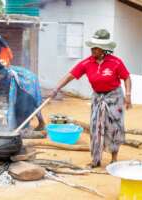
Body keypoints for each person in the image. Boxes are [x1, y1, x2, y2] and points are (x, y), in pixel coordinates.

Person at [50, 29, 132, 168]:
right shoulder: (86, 63)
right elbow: (70, 76)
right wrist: (56, 88)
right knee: (95, 128)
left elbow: (126, 78)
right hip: (98, 97)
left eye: (96, 47)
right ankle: (96, 160)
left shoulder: (116, 62)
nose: (92, 49)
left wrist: (128, 95)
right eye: (92, 46)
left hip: (114, 97)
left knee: (114, 128)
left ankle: (114, 158)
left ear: (104, 49)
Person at [0, 56, 45, 131]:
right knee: (16, 104)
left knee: (31, 101)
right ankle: (17, 123)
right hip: (17, 85)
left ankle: (40, 122)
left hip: (28, 81)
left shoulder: (1, 75)